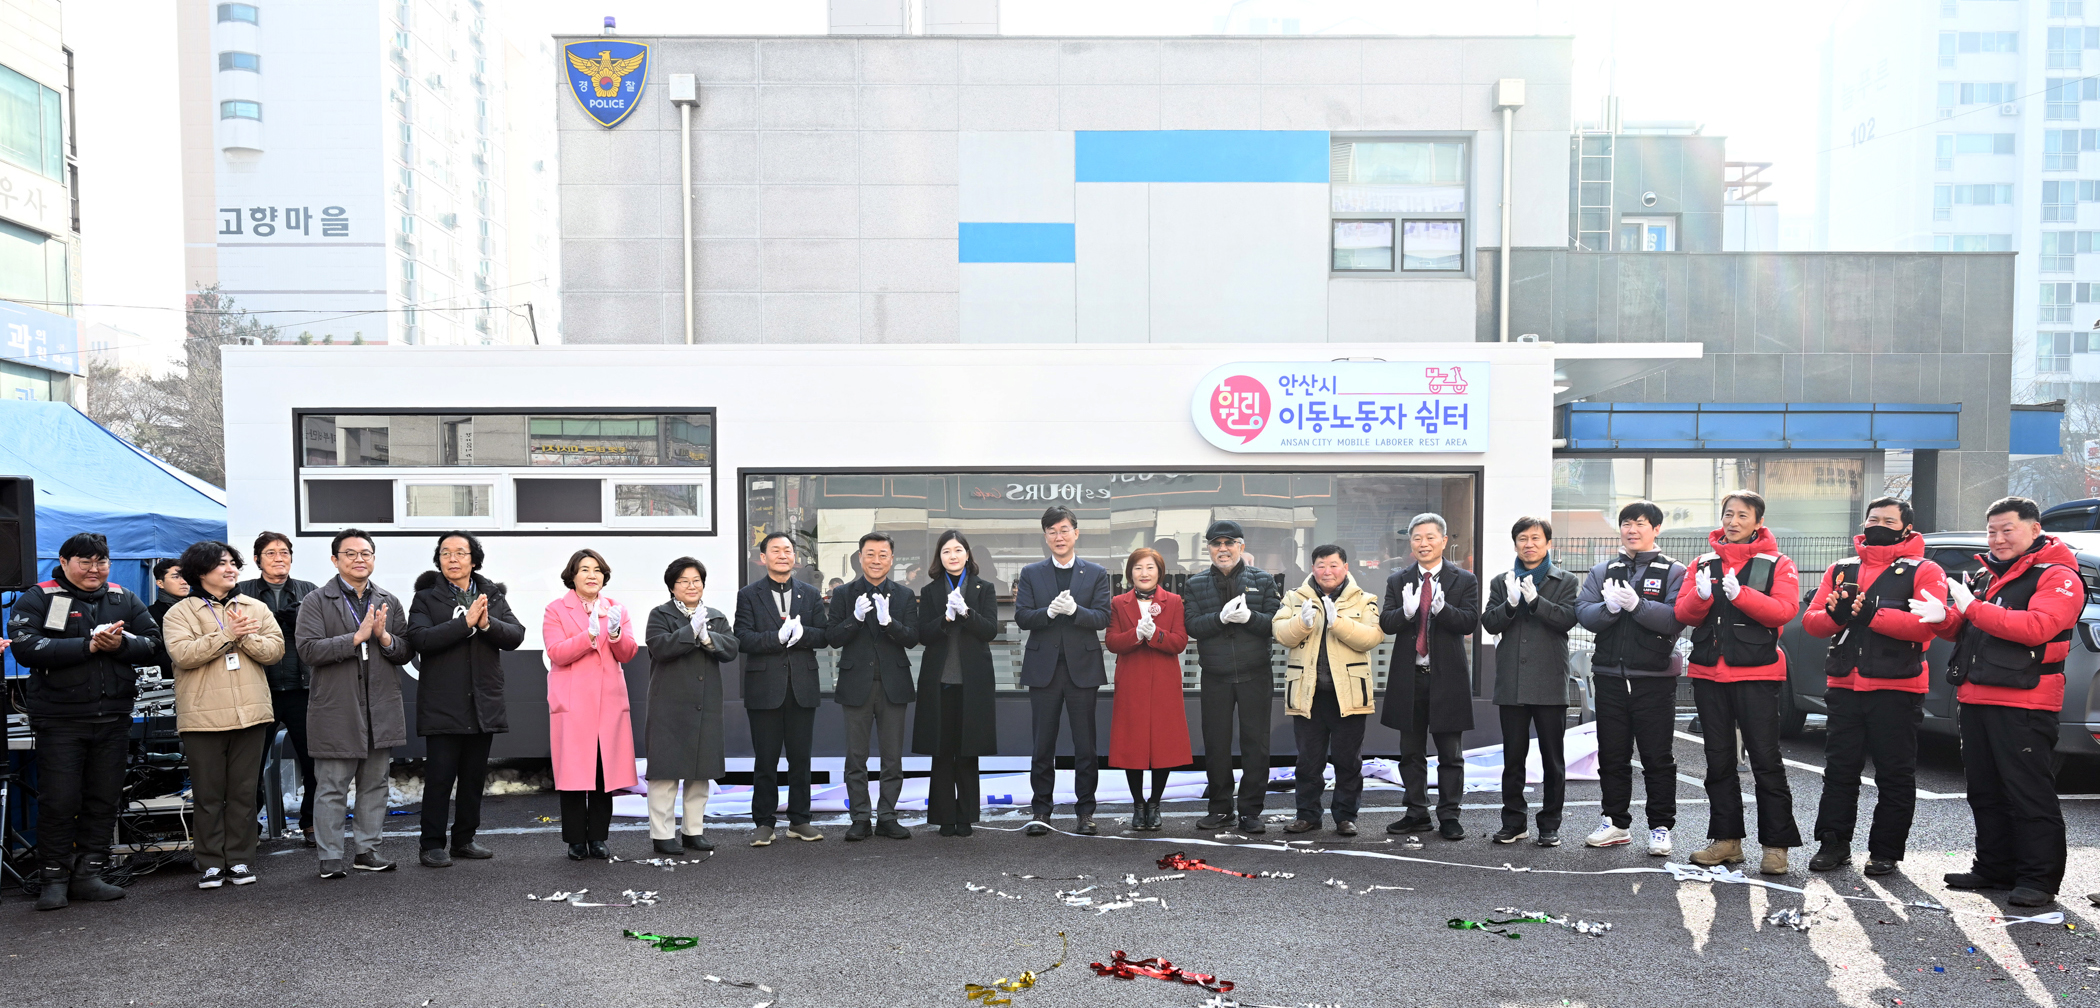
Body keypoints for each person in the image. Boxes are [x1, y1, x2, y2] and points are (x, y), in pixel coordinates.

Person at [1935, 496, 2079, 908]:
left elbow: (2038, 627)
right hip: (1975, 695)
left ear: (2035, 529)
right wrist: (1941, 617)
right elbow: (1965, 628)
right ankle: (1994, 867)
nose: (1998, 539)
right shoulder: (1987, 574)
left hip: (2025, 700)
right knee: (1984, 790)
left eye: (2007, 530)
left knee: (2028, 792)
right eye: (1992, 531)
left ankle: (2038, 879)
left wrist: (1974, 608)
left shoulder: (2057, 575)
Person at [8, 532, 160, 910]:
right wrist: (87, 646)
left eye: (101, 561)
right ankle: (53, 879)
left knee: (104, 799)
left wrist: (121, 645)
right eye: (85, 562)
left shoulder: (123, 597)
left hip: (114, 718)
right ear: (64, 562)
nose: (95, 569)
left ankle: (89, 873)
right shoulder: (39, 597)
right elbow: (26, 648)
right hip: (60, 720)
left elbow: (154, 643)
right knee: (59, 800)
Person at [1800, 496, 1947, 877]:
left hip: (1898, 688)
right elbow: (1812, 622)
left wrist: (1873, 615)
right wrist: (1833, 615)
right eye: (1873, 519)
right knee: (1839, 770)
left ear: (1907, 528)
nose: (1878, 526)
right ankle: (1832, 844)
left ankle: (1885, 852)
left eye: (1888, 521)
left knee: (1894, 774)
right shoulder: (1842, 568)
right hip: (1844, 685)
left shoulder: (1925, 570)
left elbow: (1927, 628)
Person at [1674, 490, 1802, 874]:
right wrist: (1700, 597)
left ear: (1758, 522)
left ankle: (1776, 846)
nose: (1732, 522)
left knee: (1765, 760)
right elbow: (1684, 613)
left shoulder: (1777, 563)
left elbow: (1784, 611)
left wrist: (1741, 595)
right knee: (1718, 761)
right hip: (1709, 673)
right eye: (1728, 514)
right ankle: (1726, 841)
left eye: (1742, 515)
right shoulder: (1703, 562)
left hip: (1757, 674)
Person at [162, 540, 283, 890]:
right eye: (221, 564)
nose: (230, 569)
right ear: (200, 571)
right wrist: (228, 634)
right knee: (208, 795)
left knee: (244, 792)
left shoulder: (255, 607)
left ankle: (241, 859)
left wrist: (244, 638)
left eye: (233, 563)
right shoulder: (179, 612)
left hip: (251, 714)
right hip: (202, 717)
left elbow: (275, 650)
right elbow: (183, 655)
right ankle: (211, 863)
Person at [294, 529, 414, 879]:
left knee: (375, 784)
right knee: (331, 785)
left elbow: (406, 650)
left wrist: (385, 638)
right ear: (335, 560)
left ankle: (367, 850)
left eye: (366, 553)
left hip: (379, 708)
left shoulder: (388, 600)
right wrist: (355, 638)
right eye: (350, 553)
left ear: (374, 559)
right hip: (337, 708)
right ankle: (330, 855)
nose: (359, 559)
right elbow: (308, 650)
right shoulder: (316, 600)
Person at [404, 532, 525, 867]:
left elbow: (515, 635)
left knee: (473, 778)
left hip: (481, 702)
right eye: (445, 553)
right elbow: (419, 639)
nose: (452, 559)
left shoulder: (492, 595)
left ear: (474, 559)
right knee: (440, 778)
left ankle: (464, 839)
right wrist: (464, 623)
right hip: (443, 703)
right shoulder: (426, 598)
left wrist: (486, 624)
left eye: (460, 552)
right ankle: (431, 845)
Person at [1574, 500, 1687, 855]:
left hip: (1653, 678)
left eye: (1640, 523)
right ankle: (1615, 822)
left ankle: (1660, 827)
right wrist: (1607, 608)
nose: (1632, 530)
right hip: (1609, 675)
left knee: (1657, 757)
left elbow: (1676, 618)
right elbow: (1583, 612)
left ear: (1656, 529)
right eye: (1626, 523)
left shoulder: (1674, 571)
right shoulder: (1603, 569)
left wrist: (1638, 605)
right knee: (1612, 755)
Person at [1481, 517, 1582, 847]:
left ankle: (1550, 823)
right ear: (1515, 544)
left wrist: (1537, 602)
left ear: (1548, 543)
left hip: (1549, 680)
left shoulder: (1565, 580)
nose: (1529, 544)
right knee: (1513, 757)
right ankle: (1513, 822)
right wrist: (1510, 604)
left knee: (1553, 759)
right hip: (1512, 681)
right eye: (1522, 538)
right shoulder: (1501, 581)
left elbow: (1567, 619)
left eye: (1536, 538)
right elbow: (1489, 623)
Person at [1379, 513, 1480, 840]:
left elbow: (1469, 622)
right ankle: (1416, 812)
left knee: (1450, 753)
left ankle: (1449, 815)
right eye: (1417, 538)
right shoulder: (1398, 580)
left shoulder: (1463, 580)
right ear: (1410, 543)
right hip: (1409, 678)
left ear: (1443, 541)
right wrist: (1407, 612)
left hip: (1447, 678)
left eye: (1430, 537)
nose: (1423, 544)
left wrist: (1442, 609)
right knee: (1410, 752)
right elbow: (1386, 623)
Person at [1015, 506, 1114, 836]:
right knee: (1042, 746)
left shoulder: (1095, 572)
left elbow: (1102, 617)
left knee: (1085, 746)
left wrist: (1075, 611)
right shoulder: (1031, 573)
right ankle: (1041, 810)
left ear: (1076, 533)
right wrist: (1047, 612)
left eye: (1064, 530)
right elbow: (1023, 617)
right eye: (1052, 531)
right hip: (1043, 669)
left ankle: (1085, 812)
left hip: (1082, 669)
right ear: (1045, 536)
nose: (1059, 536)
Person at [1274, 544, 1382, 837]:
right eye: (1321, 565)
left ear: (1345, 567)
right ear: (1313, 568)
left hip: (1348, 694)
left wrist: (1338, 623)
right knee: (1308, 761)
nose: (1327, 571)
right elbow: (1280, 633)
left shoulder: (1364, 599)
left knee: (1348, 761)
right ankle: (1307, 815)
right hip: (1308, 694)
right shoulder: (1295, 597)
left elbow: (1372, 637)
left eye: (1334, 565)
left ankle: (1346, 817)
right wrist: (1301, 623)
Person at [541, 548, 640, 861]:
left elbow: (628, 653)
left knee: (603, 773)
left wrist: (615, 633)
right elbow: (556, 652)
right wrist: (588, 636)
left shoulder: (616, 609)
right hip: (573, 704)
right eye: (584, 569)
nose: (591, 575)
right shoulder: (556, 609)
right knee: (573, 775)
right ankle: (575, 840)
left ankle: (598, 837)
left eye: (597, 569)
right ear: (572, 576)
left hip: (608, 703)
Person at [1185, 518, 1282, 833]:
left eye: (1229, 543)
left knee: (1256, 744)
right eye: (1217, 544)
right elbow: (1192, 626)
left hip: (1256, 673)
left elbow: (1275, 623)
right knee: (1216, 744)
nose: (1223, 549)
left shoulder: (1263, 579)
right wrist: (1220, 618)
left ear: (1241, 546)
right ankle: (1220, 808)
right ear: (1209, 549)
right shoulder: (1195, 583)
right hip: (1215, 674)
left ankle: (1251, 811)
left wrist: (1249, 617)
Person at [733, 532, 829, 846]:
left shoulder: (809, 593)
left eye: (788, 550)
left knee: (801, 759)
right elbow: (742, 638)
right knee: (766, 760)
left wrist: (803, 634)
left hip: (802, 686)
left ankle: (800, 820)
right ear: (763, 558)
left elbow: (824, 635)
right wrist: (775, 638)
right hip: (764, 688)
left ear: (794, 557)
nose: (783, 555)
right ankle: (764, 822)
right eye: (775, 550)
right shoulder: (749, 594)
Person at [827, 532, 921, 840]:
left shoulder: (904, 594)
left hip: (893, 683)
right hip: (856, 683)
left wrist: (888, 623)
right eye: (870, 554)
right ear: (860, 557)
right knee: (856, 757)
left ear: (892, 559)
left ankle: (888, 816)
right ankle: (860, 818)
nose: (876, 560)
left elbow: (912, 638)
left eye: (883, 555)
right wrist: (855, 618)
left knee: (892, 757)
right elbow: (833, 637)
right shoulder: (844, 594)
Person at [642, 557, 737, 855]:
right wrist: (689, 632)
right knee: (665, 773)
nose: (691, 586)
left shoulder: (715, 616)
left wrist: (707, 636)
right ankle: (662, 835)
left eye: (696, 580)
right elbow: (659, 647)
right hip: (668, 705)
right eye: (683, 581)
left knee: (700, 772)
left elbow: (731, 649)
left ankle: (693, 831)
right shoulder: (660, 614)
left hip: (704, 704)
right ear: (672, 587)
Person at [912, 530, 1001, 837]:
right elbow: (923, 635)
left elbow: (990, 630)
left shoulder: (983, 587)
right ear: (940, 557)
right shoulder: (930, 590)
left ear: (967, 554)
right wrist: (945, 619)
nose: (953, 555)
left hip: (972, 681)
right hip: (940, 681)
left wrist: (966, 612)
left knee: (967, 751)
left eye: (958, 550)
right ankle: (944, 818)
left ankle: (966, 817)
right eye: (946, 551)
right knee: (941, 751)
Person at [235, 533, 319, 847]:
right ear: (257, 559)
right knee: (250, 764)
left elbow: (324, 631)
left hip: (302, 687)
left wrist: (303, 623)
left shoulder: (309, 590)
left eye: (284, 552)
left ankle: (312, 822)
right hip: (259, 688)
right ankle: (248, 826)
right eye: (270, 553)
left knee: (314, 761)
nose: (279, 558)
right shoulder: (241, 592)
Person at [1105, 547, 1192, 832]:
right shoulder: (1119, 602)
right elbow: (1112, 641)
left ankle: (1155, 804)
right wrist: (1135, 635)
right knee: (1132, 743)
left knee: (1163, 744)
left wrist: (1155, 634)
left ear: (1160, 572)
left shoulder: (1174, 601)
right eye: (1138, 568)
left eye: (1150, 568)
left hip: (1165, 682)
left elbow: (1180, 641)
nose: (1144, 573)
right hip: (1132, 680)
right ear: (1130, 573)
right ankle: (1138, 804)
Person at [148, 557, 189, 681]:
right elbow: (154, 654)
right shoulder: (151, 614)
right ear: (160, 583)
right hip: (175, 678)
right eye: (176, 577)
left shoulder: (200, 608)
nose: (184, 582)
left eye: (186, 576)